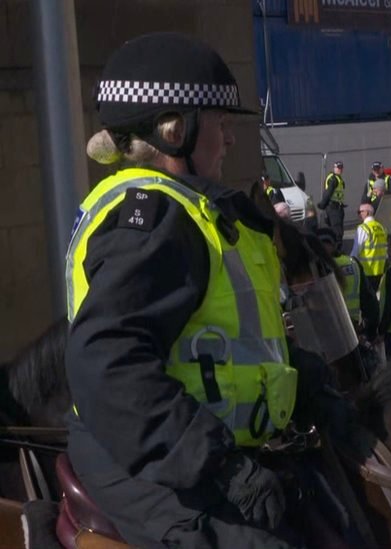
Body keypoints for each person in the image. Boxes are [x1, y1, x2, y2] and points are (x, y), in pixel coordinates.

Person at [64, 32, 351, 548]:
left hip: (197, 450)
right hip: (152, 463)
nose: (231, 139)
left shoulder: (195, 211)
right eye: (221, 124)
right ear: (176, 131)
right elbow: (105, 361)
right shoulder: (157, 221)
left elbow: (225, 343)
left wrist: (307, 383)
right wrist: (219, 466)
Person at [318, 228, 378, 341]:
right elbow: (369, 300)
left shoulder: (319, 267)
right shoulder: (352, 263)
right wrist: (371, 331)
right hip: (352, 326)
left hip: (330, 328)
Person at [351, 203, 388, 291]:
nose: (359, 214)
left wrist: (350, 265)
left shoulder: (363, 228)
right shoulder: (381, 227)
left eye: (360, 212)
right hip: (380, 269)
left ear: (367, 213)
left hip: (367, 270)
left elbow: (356, 250)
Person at [318, 160, 346, 231]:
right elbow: (328, 192)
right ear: (334, 168)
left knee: (336, 228)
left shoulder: (338, 178)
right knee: (337, 230)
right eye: (338, 167)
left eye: (341, 168)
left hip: (337, 207)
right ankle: (337, 242)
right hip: (333, 207)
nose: (340, 169)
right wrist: (322, 204)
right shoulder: (333, 179)